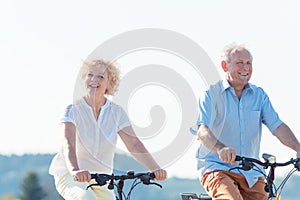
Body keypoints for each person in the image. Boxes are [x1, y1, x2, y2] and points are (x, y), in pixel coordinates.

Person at [191, 43, 300, 200]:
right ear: (224, 66)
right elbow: (203, 131)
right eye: (239, 63)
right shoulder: (211, 95)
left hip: (250, 173)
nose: (245, 67)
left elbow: (278, 126)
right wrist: (220, 148)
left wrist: (298, 147)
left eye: (248, 63)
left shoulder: (259, 95)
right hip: (217, 168)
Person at [49, 59, 167, 200]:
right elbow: (69, 144)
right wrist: (75, 170)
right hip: (70, 176)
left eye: (101, 77)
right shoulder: (73, 109)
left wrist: (155, 168)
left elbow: (134, 143)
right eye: (90, 75)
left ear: (109, 84)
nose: (94, 79)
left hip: (101, 179)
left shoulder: (116, 112)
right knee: (86, 198)